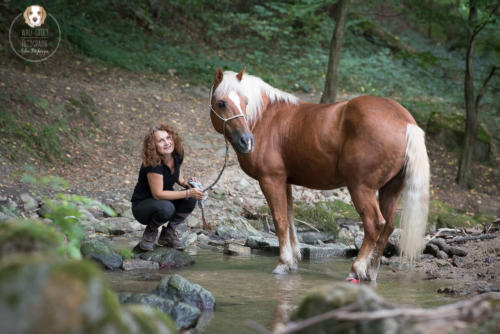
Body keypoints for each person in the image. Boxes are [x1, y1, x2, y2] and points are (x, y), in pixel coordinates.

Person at [131, 124, 205, 251]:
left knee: (190, 200)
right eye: (161, 140)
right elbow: (158, 194)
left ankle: (168, 233)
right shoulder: (153, 164)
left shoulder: (176, 155)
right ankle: (151, 231)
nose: (167, 143)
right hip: (143, 207)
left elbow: (178, 176)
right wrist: (188, 193)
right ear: (153, 146)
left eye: (168, 138)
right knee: (167, 207)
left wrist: (187, 184)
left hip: (164, 201)